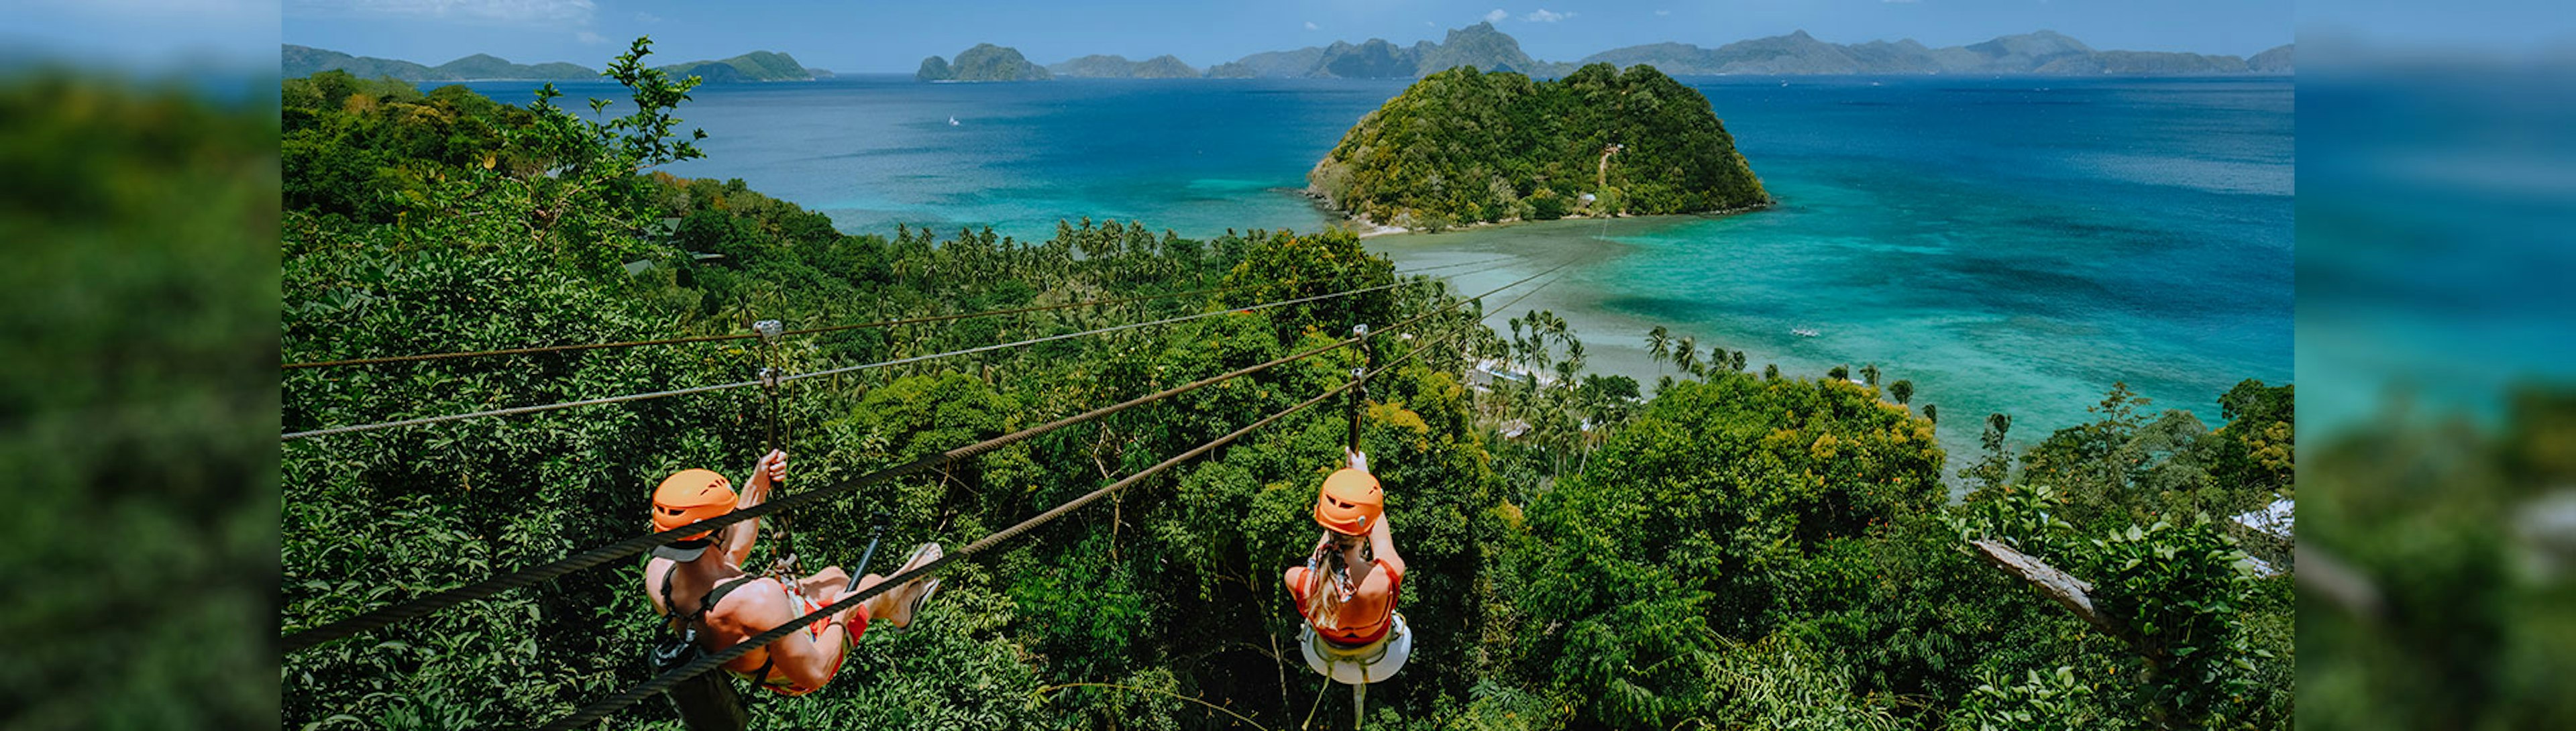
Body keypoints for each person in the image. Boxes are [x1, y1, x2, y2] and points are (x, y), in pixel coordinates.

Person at [643, 450, 942, 696]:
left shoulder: (659, 575)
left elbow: (731, 556)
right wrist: (840, 616)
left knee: (835, 575)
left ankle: (896, 601)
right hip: (795, 670)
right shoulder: (759, 598)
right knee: (866, 589)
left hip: (744, 646)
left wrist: (757, 484)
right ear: (718, 532)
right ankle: (898, 607)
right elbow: (816, 673)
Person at [1283, 449, 1409, 683]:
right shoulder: (1389, 575)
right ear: (1367, 526)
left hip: (1322, 657)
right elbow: (1381, 540)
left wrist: (1336, 516)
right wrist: (1363, 476)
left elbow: (1318, 565)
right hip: (1384, 661)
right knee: (1403, 629)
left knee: (1312, 610)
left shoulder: (1298, 580)